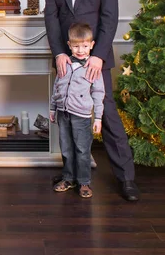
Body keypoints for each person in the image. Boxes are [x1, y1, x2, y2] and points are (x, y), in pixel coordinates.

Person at [44, 0, 140, 201]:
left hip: (95, 60)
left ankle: (126, 178)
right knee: (67, 119)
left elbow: (110, 17)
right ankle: (72, 174)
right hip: (66, 60)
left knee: (107, 114)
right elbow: (51, 19)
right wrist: (59, 53)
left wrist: (98, 56)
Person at [49, 22, 104, 198]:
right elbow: (57, 87)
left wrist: (98, 118)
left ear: (92, 45)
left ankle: (84, 182)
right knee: (66, 148)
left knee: (82, 149)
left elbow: (98, 93)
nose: (81, 50)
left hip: (82, 116)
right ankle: (68, 178)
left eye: (85, 46)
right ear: (69, 45)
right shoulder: (64, 64)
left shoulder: (93, 67)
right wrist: (53, 108)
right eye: (76, 46)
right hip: (63, 113)